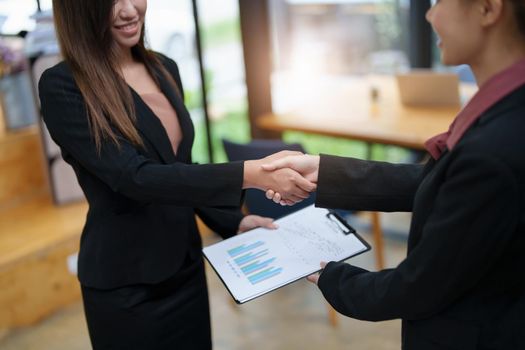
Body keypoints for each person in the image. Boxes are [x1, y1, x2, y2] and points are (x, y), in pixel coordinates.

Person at [39, 0, 315, 349]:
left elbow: (178, 167)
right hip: (128, 285)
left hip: (184, 268)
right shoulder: (64, 85)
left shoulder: (163, 67)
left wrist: (232, 222)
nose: (128, 11)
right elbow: (135, 178)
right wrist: (251, 174)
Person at [263, 0, 525, 348]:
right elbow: (444, 185)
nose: (430, 16)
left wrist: (332, 277)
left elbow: (420, 287)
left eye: (439, 2)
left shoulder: (494, 148)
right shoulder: (504, 112)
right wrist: (325, 172)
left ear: (489, 9)